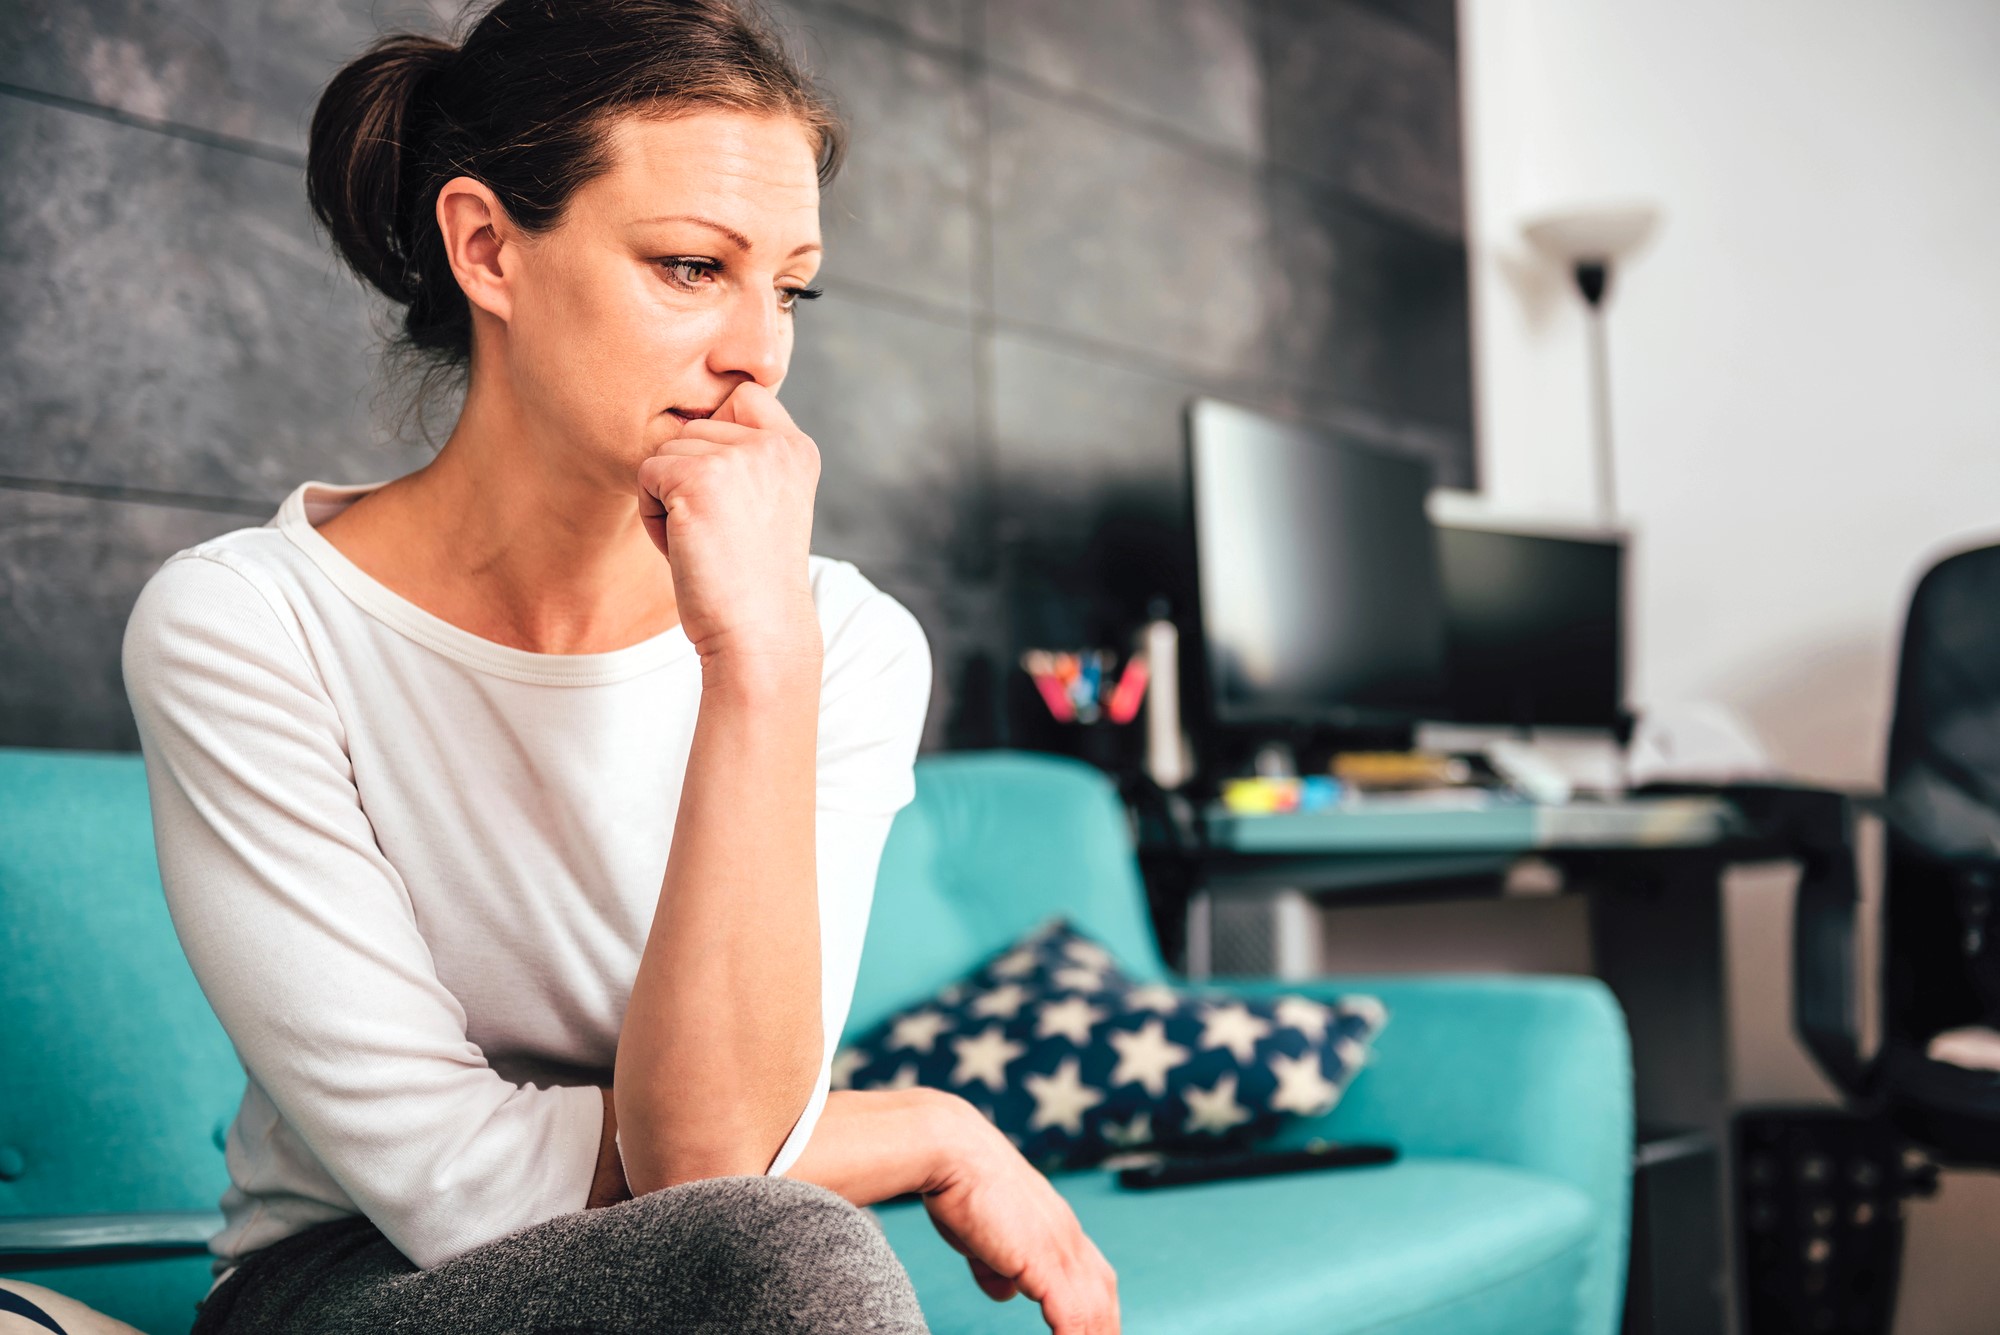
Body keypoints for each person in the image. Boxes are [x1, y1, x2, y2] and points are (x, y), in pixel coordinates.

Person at [120, 1, 1119, 1330]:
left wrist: (759, 658)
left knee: (771, 1246)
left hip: (708, 1250)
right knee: (788, 1257)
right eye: (693, 266)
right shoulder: (247, 627)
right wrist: (922, 1130)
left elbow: (713, 1165)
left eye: (790, 287)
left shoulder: (849, 643)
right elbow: (458, 1181)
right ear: (487, 248)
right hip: (345, 1284)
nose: (759, 354)